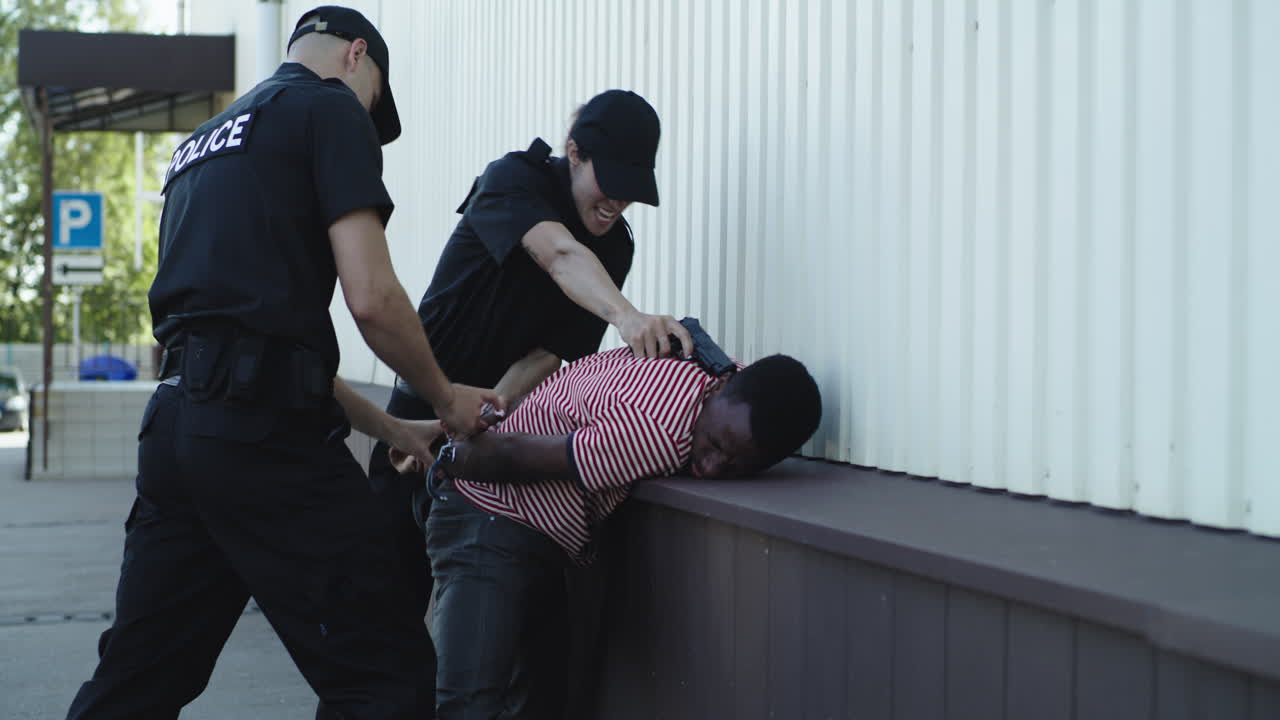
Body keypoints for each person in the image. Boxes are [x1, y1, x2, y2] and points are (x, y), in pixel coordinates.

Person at [64, 7, 496, 719]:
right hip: (264, 440)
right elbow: (372, 299)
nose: (369, 116)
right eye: (375, 99)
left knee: (138, 682)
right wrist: (446, 400)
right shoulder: (329, 110)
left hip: (176, 431)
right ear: (356, 56)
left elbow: (260, 341)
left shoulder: (202, 144)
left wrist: (397, 430)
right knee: (387, 676)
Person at [359, 87, 693, 705]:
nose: (617, 202)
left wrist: (475, 425)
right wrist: (626, 316)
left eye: (632, 189)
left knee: (506, 656)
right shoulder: (514, 179)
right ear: (573, 154)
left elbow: (547, 356)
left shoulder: (616, 245)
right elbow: (558, 253)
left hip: (495, 434)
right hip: (416, 409)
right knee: (380, 629)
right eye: (608, 181)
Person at [394, 345, 823, 719]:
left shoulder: (709, 365)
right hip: (487, 517)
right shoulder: (657, 432)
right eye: (712, 444)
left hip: (531, 535)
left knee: (535, 704)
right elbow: (510, 454)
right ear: (719, 392)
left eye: (736, 465)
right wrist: (443, 459)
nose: (711, 467)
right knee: (469, 702)